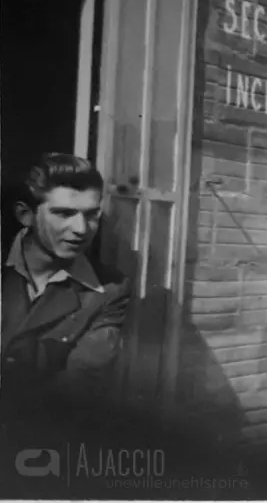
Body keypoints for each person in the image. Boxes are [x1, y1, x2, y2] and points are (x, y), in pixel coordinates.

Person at [0, 153, 131, 496]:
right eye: (63, 213)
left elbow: (80, 384)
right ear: (25, 215)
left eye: (92, 216)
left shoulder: (109, 290)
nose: (81, 229)